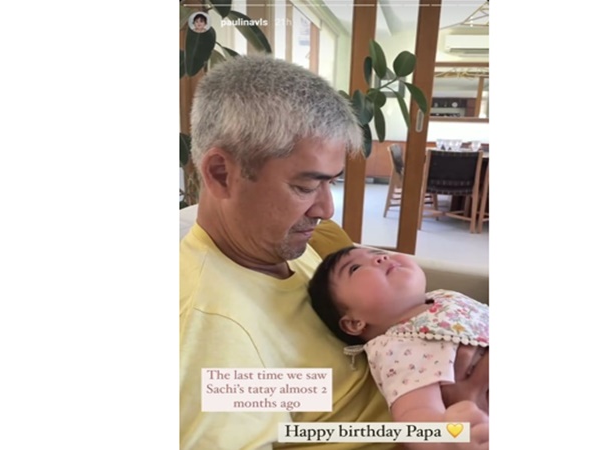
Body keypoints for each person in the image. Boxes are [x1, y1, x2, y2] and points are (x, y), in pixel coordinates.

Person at [180, 55, 487, 450]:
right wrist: (434, 428)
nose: (326, 209)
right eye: (306, 187)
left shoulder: (284, 249)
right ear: (222, 174)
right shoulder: (212, 325)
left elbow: (307, 410)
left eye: (332, 184)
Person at [308, 246, 490, 449]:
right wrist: (447, 439)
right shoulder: (396, 348)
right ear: (354, 323)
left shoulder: (442, 296)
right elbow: (415, 413)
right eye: (355, 268)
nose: (381, 258)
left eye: (378, 254)